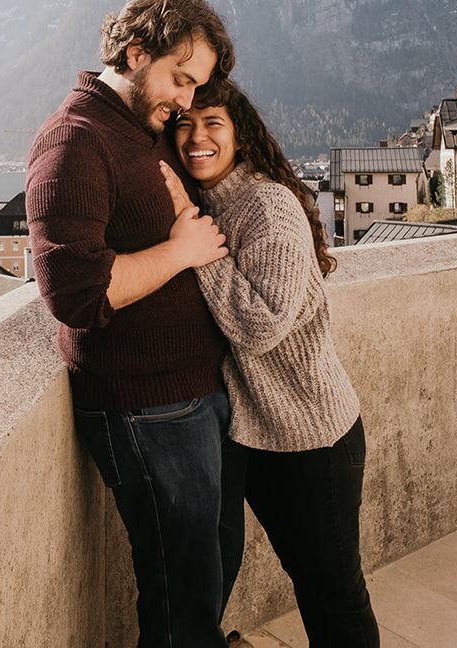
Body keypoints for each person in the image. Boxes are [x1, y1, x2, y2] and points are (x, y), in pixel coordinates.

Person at [26, 0, 247, 648]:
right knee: (182, 596)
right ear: (135, 51)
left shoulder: (133, 130)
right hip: (144, 408)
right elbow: (75, 295)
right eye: (180, 79)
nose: (186, 101)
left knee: (207, 572)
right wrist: (181, 252)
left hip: (190, 395)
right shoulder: (73, 143)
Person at [161, 81, 380, 647]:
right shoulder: (212, 204)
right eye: (184, 123)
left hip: (312, 440)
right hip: (254, 437)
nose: (197, 137)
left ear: (240, 134)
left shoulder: (267, 205)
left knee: (332, 594)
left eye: (213, 123)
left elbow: (261, 325)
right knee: (301, 584)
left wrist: (197, 249)